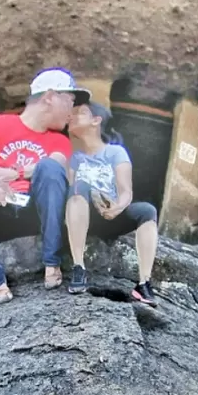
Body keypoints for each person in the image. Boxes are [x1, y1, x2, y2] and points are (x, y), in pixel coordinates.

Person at [0, 68, 90, 303]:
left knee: (50, 168)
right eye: (70, 101)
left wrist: (12, 173)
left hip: (36, 213)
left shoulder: (59, 140)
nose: (72, 112)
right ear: (49, 97)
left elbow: (55, 167)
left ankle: (51, 264)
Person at [64, 101, 159, 304]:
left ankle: (144, 283)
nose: (72, 117)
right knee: (79, 187)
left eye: (80, 113)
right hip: (84, 216)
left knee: (147, 211)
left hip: (111, 213)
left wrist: (118, 206)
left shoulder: (115, 152)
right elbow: (72, 192)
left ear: (96, 121)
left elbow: (126, 191)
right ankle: (79, 267)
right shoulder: (74, 156)